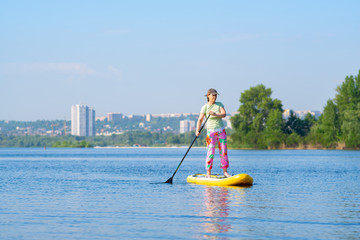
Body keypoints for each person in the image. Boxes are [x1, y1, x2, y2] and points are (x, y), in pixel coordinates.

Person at [196, 88, 230, 178]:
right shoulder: (205, 107)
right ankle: (208, 173)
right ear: (208, 96)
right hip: (211, 133)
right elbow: (200, 120)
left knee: (223, 151)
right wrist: (197, 130)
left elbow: (224, 114)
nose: (214, 97)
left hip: (221, 131)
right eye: (213, 95)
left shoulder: (219, 104)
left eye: (216, 95)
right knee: (210, 152)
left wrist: (215, 114)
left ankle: (225, 172)